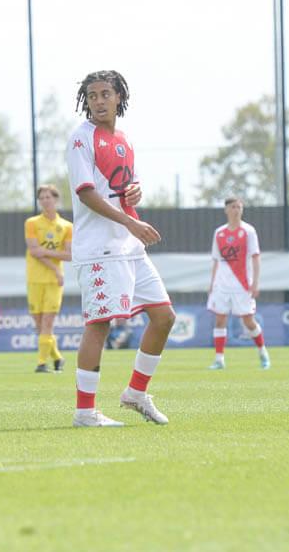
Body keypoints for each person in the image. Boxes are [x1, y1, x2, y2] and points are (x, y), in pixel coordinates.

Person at [65, 70, 175, 427]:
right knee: (99, 324)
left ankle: (136, 393)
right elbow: (86, 192)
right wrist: (130, 222)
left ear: (119, 98)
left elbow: (126, 186)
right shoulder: (81, 139)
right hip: (99, 248)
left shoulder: (124, 139)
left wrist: (135, 193)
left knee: (164, 317)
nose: (99, 101)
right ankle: (85, 412)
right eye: (92, 95)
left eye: (105, 94)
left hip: (129, 247)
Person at [206, 197, 271, 370]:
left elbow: (256, 257)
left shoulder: (249, 231)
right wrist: (212, 284)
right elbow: (217, 260)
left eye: (239, 207)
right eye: (233, 207)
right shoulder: (219, 232)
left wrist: (255, 282)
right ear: (226, 210)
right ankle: (219, 360)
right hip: (221, 284)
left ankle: (263, 353)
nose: (237, 210)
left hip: (242, 283)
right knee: (220, 319)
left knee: (248, 321)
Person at [25, 184, 72, 372]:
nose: (45, 201)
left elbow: (69, 255)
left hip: (54, 281)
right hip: (34, 278)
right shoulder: (32, 223)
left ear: (56, 199)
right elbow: (33, 251)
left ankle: (41, 363)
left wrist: (43, 252)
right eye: (41, 198)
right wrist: (54, 264)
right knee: (40, 325)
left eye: (48, 197)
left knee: (47, 323)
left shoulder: (67, 226)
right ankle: (58, 358)